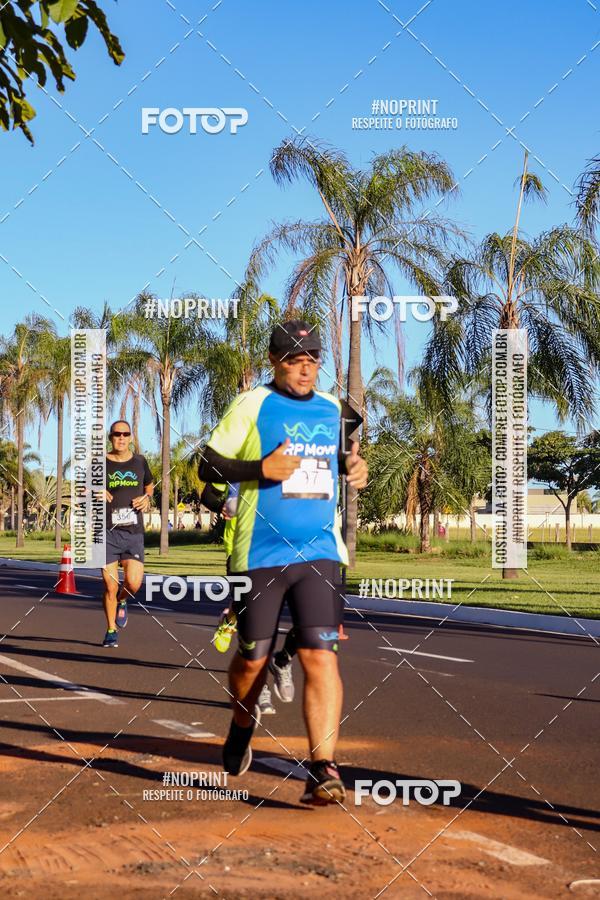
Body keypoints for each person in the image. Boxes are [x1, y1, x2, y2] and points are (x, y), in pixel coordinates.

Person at [198, 320, 367, 804]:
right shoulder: (252, 404)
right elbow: (207, 465)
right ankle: (240, 724)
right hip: (259, 555)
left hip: (320, 552)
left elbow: (349, 455)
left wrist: (356, 466)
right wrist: (259, 470)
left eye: (313, 359)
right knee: (252, 660)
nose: (306, 368)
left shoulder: (336, 409)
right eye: (296, 359)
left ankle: (323, 769)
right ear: (275, 361)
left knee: (320, 655)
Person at [201, 481, 279, 715]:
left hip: (272, 546)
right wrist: (222, 504)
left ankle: (228, 620)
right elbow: (208, 496)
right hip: (238, 546)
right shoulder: (232, 456)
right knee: (254, 615)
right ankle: (260, 687)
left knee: (258, 611)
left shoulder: (279, 454)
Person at [101, 420, 154, 648]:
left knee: (133, 584)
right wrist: (95, 490)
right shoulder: (99, 463)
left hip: (133, 532)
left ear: (131, 437)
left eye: (125, 434)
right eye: (116, 434)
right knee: (110, 586)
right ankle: (111, 629)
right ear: (110, 437)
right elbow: (81, 489)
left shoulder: (140, 461)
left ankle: (123, 601)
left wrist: (147, 498)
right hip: (105, 532)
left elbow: (149, 485)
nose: (121, 438)